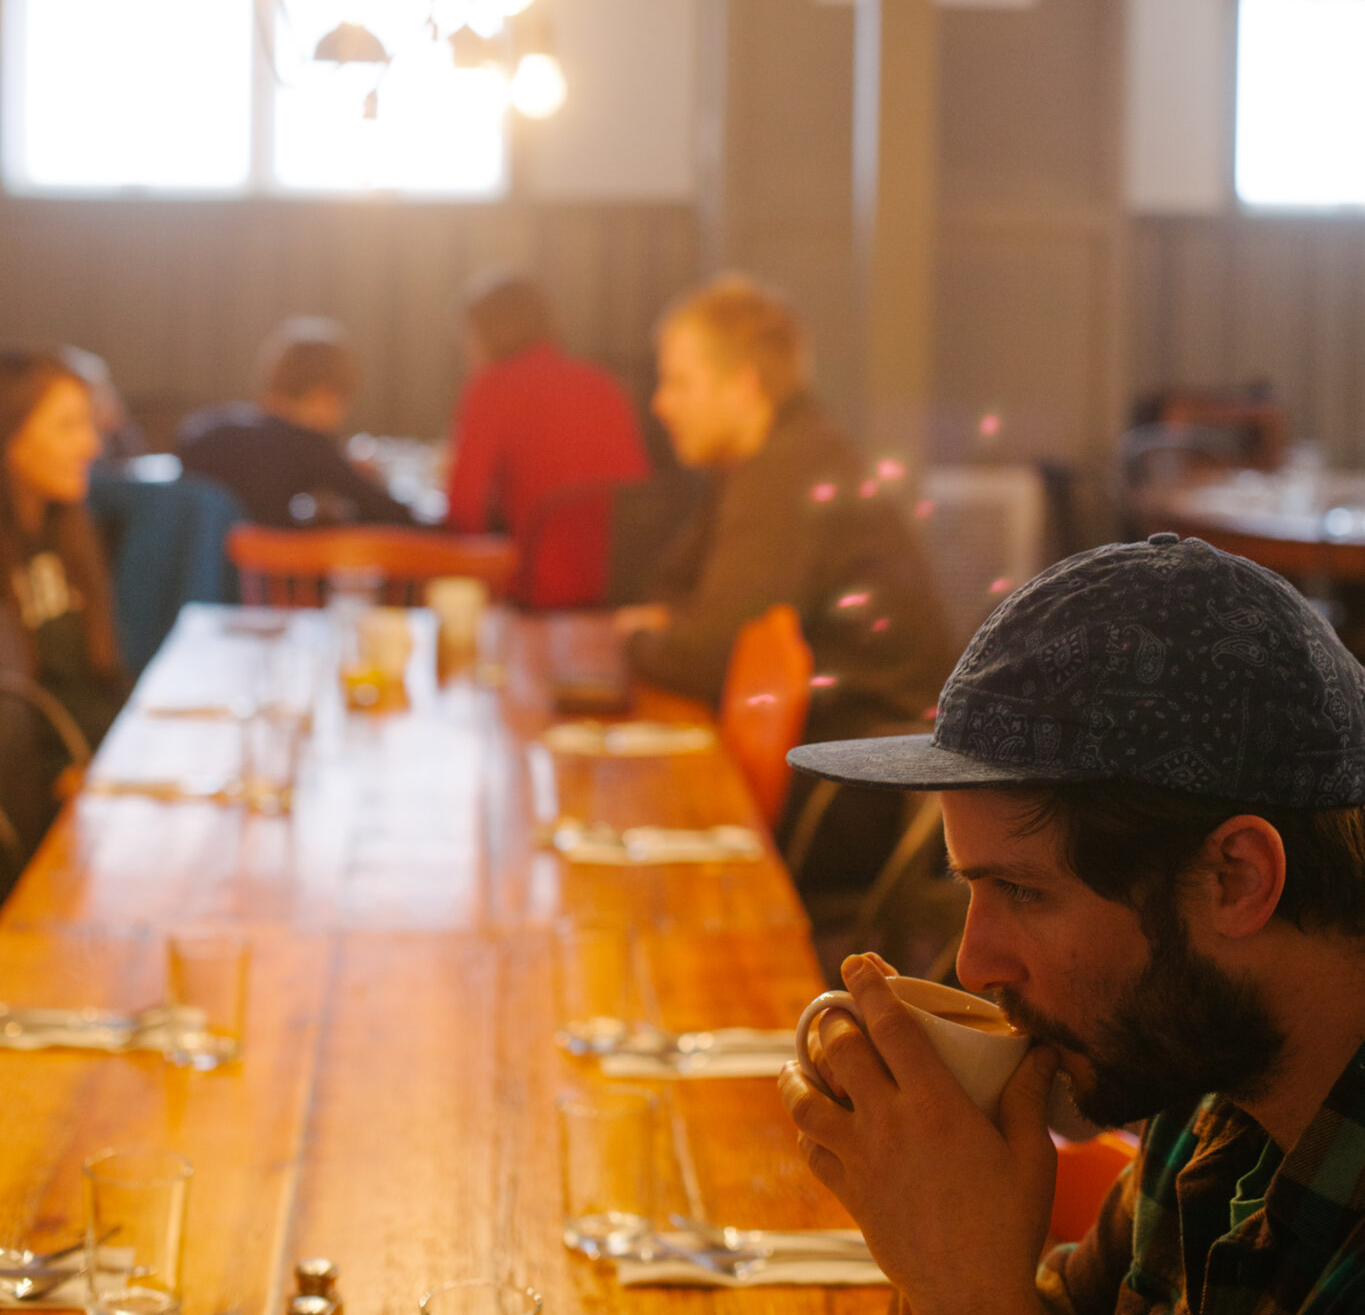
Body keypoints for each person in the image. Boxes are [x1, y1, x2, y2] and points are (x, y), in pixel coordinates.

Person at [778, 530, 1365, 1315]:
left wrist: (960, 1287)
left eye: (1021, 891)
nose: (973, 966)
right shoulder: (1206, 1093)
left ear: (1234, 878)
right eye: (970, 889)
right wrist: (947, 1238)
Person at [618, 273, 953, 718]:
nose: (660, 403)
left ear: (743, 386)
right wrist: (668, 630)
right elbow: (673, 591)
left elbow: (707, 659)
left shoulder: (788, 472)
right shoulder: (761, 459)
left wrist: (631, 639)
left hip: (874, 759)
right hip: (836, 735)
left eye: (679, 382)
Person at [446, 272, 650, 607]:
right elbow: (636, 491)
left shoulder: (492, 386)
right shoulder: (603, 383)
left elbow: (463, 511)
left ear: (482, 333)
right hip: (627, 584)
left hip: (537, 591)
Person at [0, 351, 127, 872]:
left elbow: (94, 679)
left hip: (92, 783)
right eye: (69, 426)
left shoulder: (66, 533)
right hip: (31, 818)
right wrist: (67, 775)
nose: (92, 445)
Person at [176, 319, 413, 528]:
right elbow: (391, 515)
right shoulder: (310, 445)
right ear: (324, 395)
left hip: (205, 573)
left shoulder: (202, 429)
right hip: (269, 571)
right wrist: (366, 477)